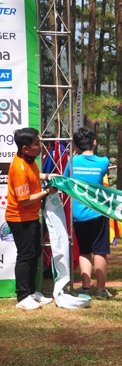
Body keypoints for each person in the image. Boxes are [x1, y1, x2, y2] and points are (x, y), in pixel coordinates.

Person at [6, 128, 58, 309]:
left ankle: (31, 292)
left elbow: (34, 176)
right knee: (26, 255)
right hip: (20, 218)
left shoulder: (29, 160)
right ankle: (22, 296)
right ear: (26, 148)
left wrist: (48, 176)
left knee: (34, 253)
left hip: (31, 217)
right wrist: (46, 192)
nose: (40, 146)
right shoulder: (19, 168)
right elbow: (25, 200)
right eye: (37, 144)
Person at [66, 127, 112, 300]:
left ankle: (85, 288)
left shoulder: (72, 162)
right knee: (100, 251)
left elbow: (65, 181)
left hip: (78, 214)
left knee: (84, 251)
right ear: (94, 142)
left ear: (76, 145)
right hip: (98, 213)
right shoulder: (103, 162)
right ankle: (101, 290)